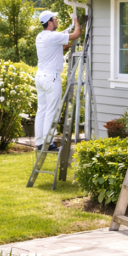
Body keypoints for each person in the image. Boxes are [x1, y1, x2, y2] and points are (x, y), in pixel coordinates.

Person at [34, 10, 82, 152]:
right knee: (51, 111)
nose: (57, 20)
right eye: (55, 18)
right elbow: (77, 34)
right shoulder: (53, 36)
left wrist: (69, 30)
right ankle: (49, 143)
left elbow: (61, 47)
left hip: (40, 77)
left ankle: (40, 142)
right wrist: (76, 21)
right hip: (51, 77)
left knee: (42, 109)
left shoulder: (41, 36)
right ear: (50, 22)